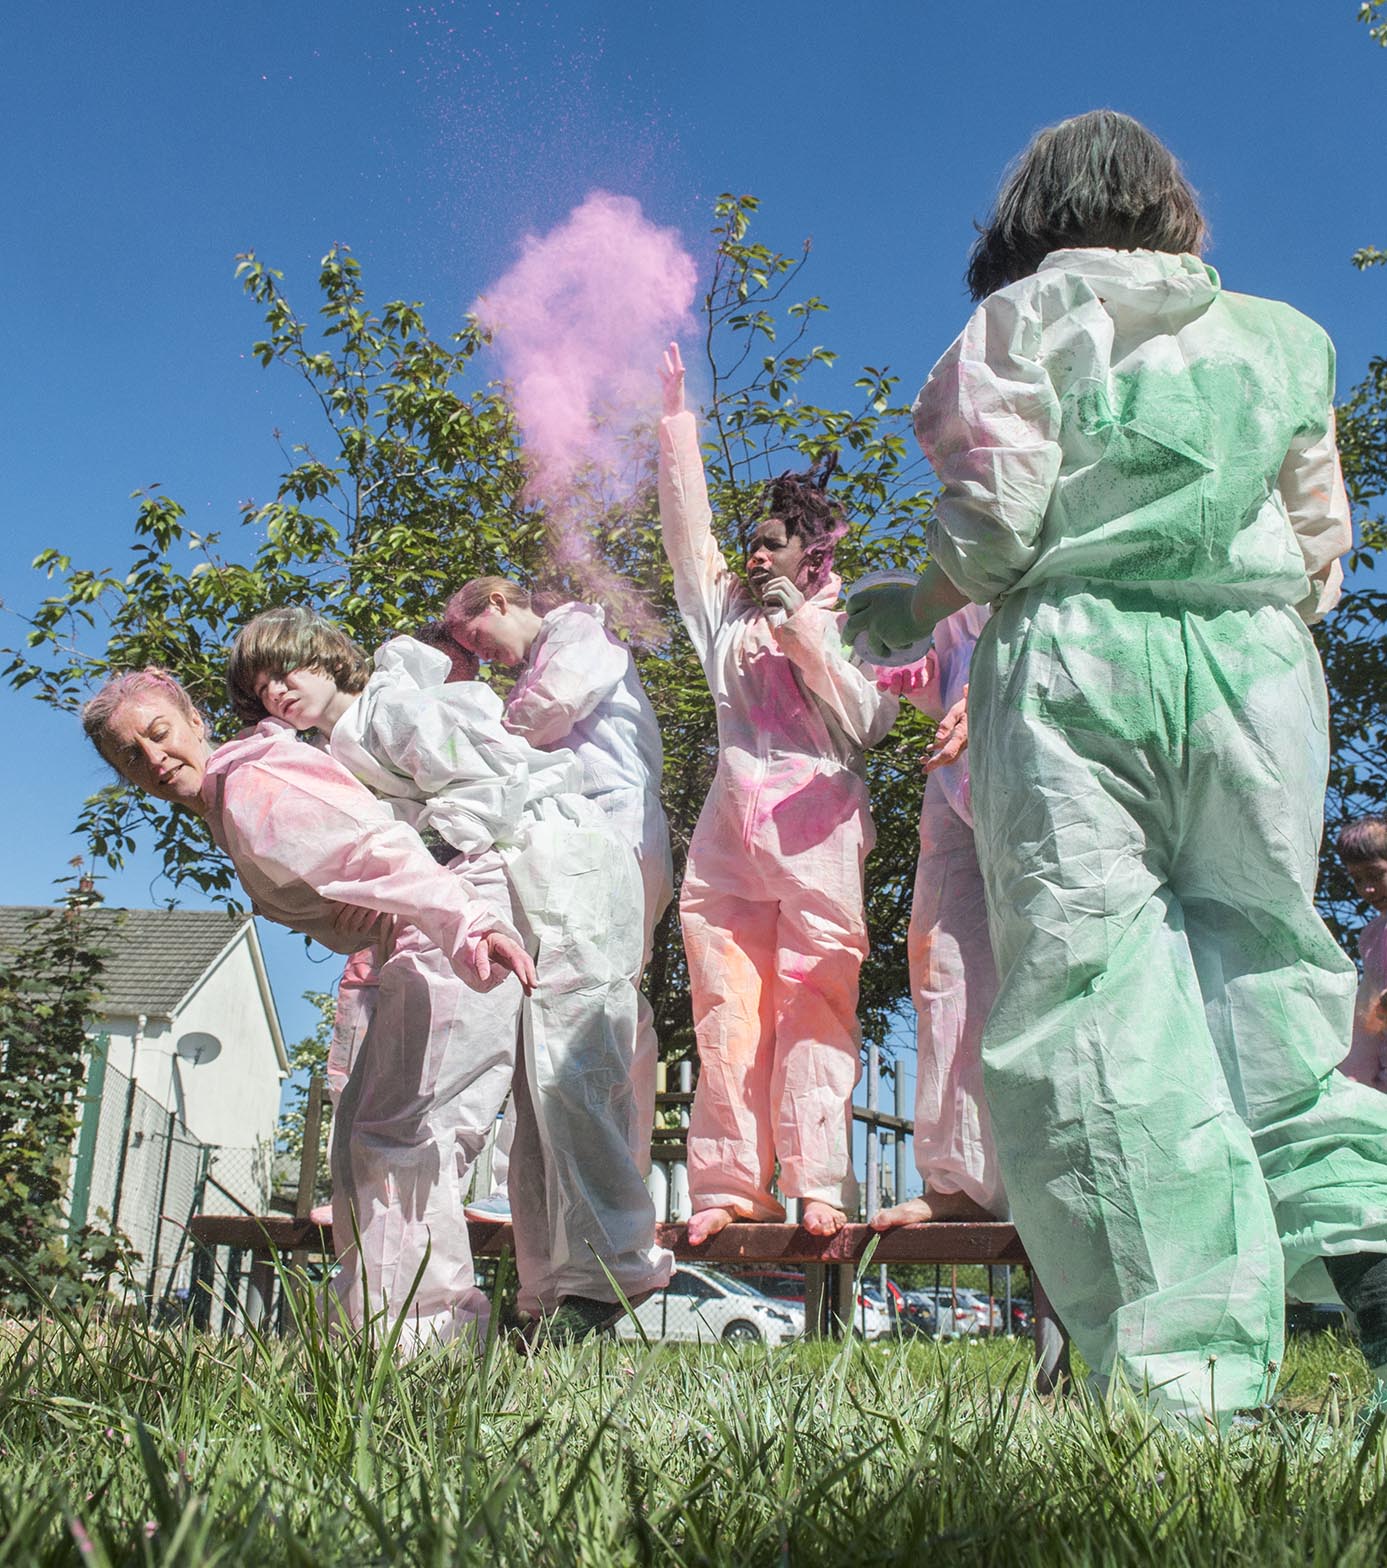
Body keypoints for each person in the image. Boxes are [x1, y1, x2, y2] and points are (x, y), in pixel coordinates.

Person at [844, 108, 1387, 1422]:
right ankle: (1368, 1251)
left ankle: (1186, 1381)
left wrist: (910, 608)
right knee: (1272, 988)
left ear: (1028, 219)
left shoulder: (1018, 320)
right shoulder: (1284, 336)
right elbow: (1321, 545)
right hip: (1255, 673)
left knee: (1096, 1003)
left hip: (1077, 662)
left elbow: (994, 520)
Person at [226, 608, 672, 1337]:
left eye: (287, 669)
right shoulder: (341, 746)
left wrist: (436, 864)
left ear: (327, 658)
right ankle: (553, 1294)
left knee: (573, 1070)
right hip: (512, 874)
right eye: (260, 686)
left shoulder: (392, 705)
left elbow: (488, 775)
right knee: (535, 1091)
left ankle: (606, 1279)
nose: (277, 690)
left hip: (561, 863)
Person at [80, 667, 536, 1351]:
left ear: (196, 721)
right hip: (420, 929)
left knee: (401, 1137)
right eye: (130, 755)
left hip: (448, 918)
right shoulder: (232, 797)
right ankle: (370, 1331)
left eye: (159, 732)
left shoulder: (252, 786)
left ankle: (425, 1341)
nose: (154, 757)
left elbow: (375, 851)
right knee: (362, 1142)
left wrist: (468, 923)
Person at [657, 343, 899, 1244]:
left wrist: (801, 630)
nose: (753, 555)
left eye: (771, 544)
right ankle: (728, 1183)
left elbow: (868, 718)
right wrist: (675, 422)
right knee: (724, 1005)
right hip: (730, 833)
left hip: (817, 828)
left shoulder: (848, 619)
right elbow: (686, 537)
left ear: (812, 555)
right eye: (750, 543)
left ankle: (817, 1179)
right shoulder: (723, 614)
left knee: (815, 996)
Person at [444, 577, 674, 1187]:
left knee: (572, 993)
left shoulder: (575, 630)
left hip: (609, 825)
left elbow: (551, 706)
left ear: (498, 601)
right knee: (603, 1000)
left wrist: (469, 745)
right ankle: (601, 1177)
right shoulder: (549, 653)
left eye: (475, 636)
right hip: (593, 829)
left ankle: (543, 1182)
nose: (479, 653)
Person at [869, 605, 1004, 1227]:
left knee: (1060, 958)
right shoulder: (947, 570)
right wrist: (919, 675)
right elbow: (950, 669)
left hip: (1046, 740)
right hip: (955, 773)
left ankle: (1077, 1176)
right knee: (941, 964)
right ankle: (958, 1179)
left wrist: (988, 691)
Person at [1338, 816, 1387, 1093]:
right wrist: (1355, 1081)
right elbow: (1366, 1023)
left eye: (1376, 874)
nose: (1367, 889)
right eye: (1357, 879)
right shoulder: (1372, 937)